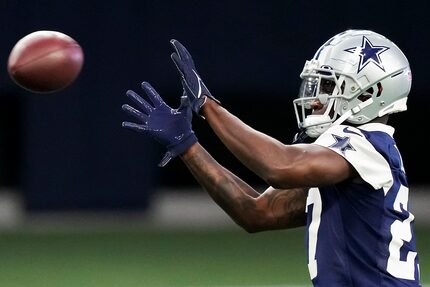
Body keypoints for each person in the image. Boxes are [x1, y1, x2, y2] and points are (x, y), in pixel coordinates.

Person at [122, 29, 421, 286]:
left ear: (372, 92)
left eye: (329, 86)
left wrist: (209, 107)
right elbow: (256, 212)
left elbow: (280, 166)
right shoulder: (349, 161)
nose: (316, 98)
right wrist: (187, 146)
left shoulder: (369, 145)